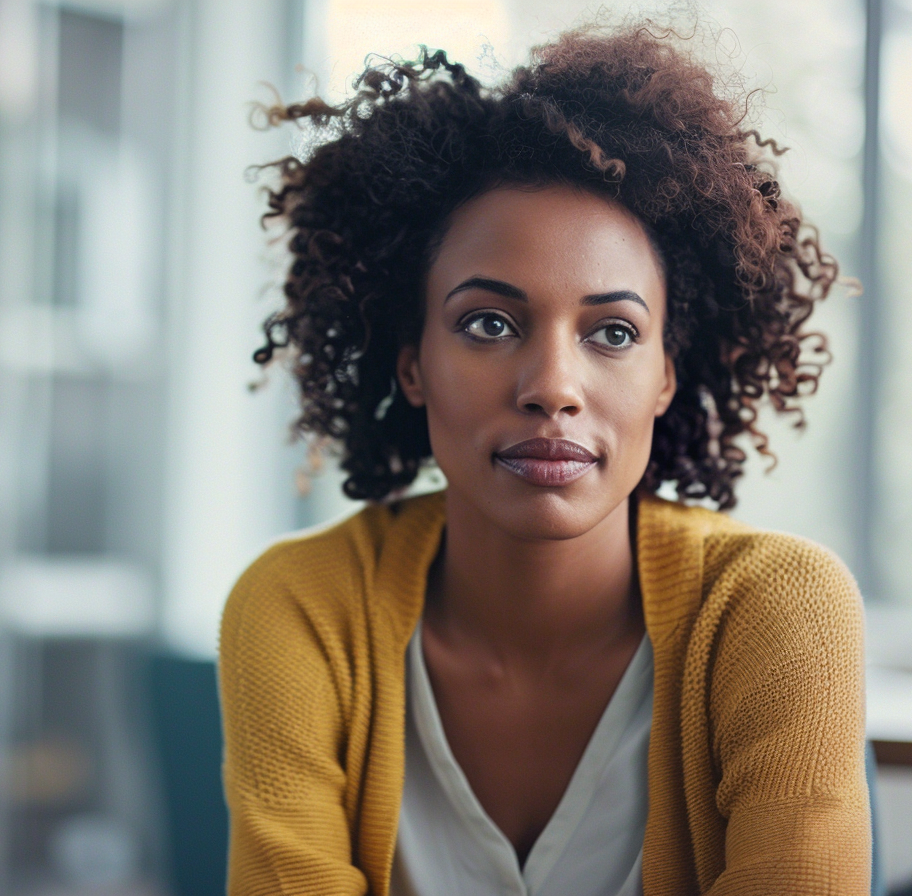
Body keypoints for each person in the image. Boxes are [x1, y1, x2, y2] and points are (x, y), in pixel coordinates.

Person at [218, 22, 869, 896]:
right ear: (411, 363)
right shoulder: (301, 611)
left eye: (612, 332)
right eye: (489, 323)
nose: (552, 386)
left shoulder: (776, 614)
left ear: (667, 377)